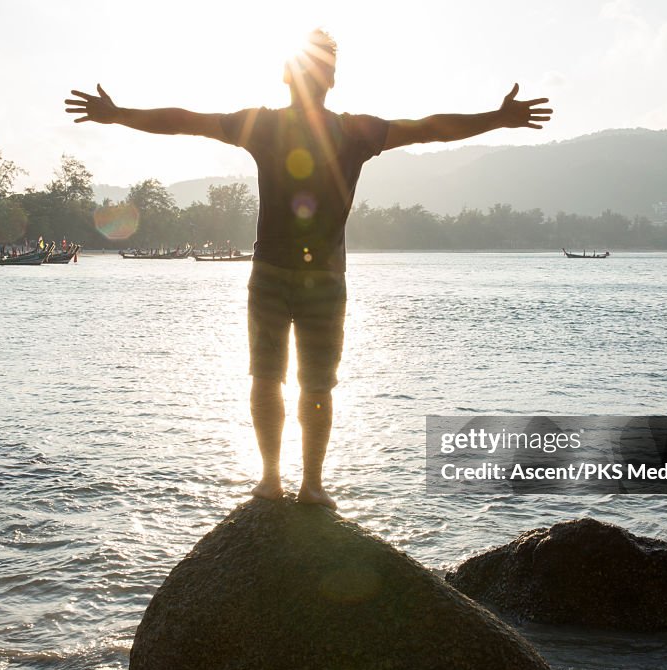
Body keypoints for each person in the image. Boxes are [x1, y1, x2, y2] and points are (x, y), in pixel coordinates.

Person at [65, 29, 552, 509]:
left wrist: (498, 118)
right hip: (295, 276)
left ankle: (303, 483)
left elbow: (431, 126)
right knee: (276, 379)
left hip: (304, 278)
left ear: (319, 79)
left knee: (295, 382)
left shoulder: (311, 128)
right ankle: (278, 479)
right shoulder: (299, 127)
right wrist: (119, 115)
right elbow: (187, 120)